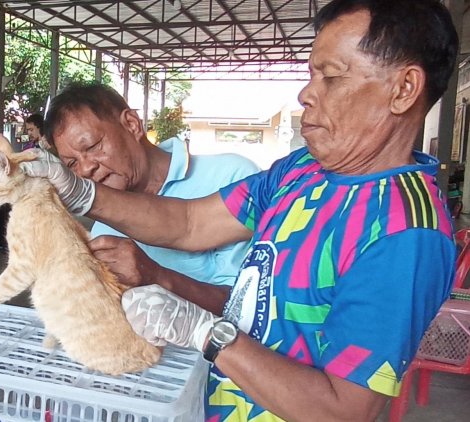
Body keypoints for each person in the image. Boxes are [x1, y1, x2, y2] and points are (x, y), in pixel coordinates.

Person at [23, 0, 459, 420]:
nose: (306, 93)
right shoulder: (302, 171)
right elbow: (190, 222)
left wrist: (204, 332)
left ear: (403, 90)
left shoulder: (406, 233)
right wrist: (82, 194)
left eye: (330, 76)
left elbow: (341, 410)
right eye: (311, 74)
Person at [42, 82, 260, 315]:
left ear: (131, 125)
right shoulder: (105, 223)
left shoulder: (231, 178)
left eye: (93, 146)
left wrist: (155, 276)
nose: (85, 169)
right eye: (72, 163)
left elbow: (248, 307)